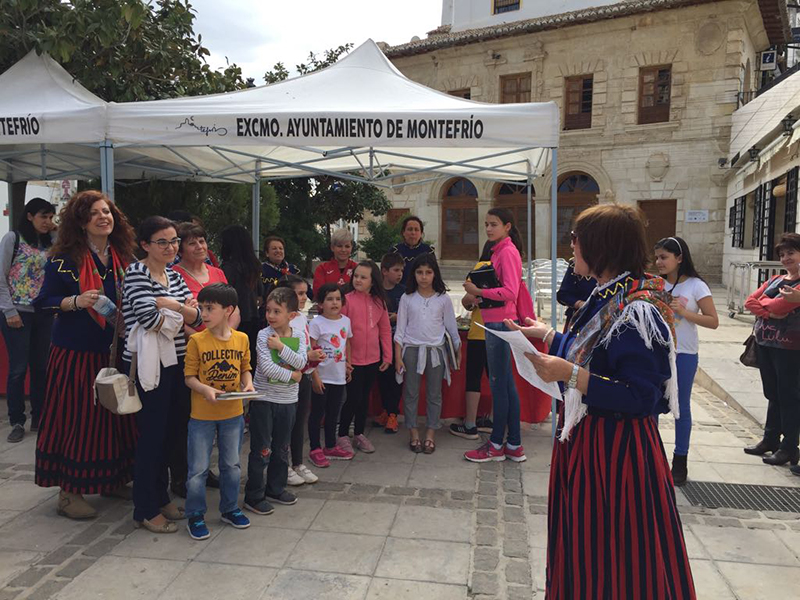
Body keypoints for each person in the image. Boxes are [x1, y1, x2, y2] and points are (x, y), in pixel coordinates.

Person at [510, 204, 695, 599]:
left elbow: (642, 397)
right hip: (589, 441)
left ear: (601, 247)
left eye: (577, 240)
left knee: (617, 559)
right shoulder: (607, 295)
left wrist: (569, 375)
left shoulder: (637, 309)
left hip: (616, 454)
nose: (572, 247)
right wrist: (546, 335)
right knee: (585, 549)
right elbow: (589, 353)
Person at [34, 190, 137, 520]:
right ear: (80, 221)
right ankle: (69, 491)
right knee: (78, 419)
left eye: (106, 211)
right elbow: (43, 303)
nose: (102, 217)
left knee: (115, 419)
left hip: (115, 352)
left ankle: (112, 479)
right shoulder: (63, 260)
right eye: (94, 213)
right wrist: (74, 302)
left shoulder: (123, 259)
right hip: (76, 354)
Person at [123, 216, 202, 533]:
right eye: (163, 242)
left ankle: (161, 496)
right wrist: (179, 310)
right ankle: (144, 507)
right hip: (148, 367)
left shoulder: (175, 275)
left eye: (174, 241)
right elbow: (147, 318)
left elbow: (196, 319)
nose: (171, 247)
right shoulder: (135, 272)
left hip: (178, 363)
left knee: (172, 435)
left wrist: (168, 305)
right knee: (151, 437)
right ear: (145, 245)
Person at [184, 283, 253, 540]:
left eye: (210, 308)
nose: (204, 313)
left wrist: (248, 383)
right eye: (201, 308)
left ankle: (229, 508)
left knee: (231, 465)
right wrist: (205, 390)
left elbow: (245, 368)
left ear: (228, 310)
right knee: (198, 469)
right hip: (201, 415)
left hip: (233, 414)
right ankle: (195, 514)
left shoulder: (242, 339)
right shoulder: (196, 340)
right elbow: (189, 377)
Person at [462, 208, 530, 463]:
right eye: (486, 224)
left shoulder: (508, 252)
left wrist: (478, 290)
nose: (488, 229)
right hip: (495, 322)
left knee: (500, 386)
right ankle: (512, 444)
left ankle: (496, 445)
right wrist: (480, 293)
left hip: (500, 324)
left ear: (507, 226)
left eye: (493, 224)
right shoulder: (499, 251)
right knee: (506, 385)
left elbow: (510, 292)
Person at [654, 236, 719, 485]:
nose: (659, 262)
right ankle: (653, 457)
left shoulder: (696, 286)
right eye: (657, 257)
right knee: (653, 405)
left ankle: (680, 461)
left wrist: (684, 313)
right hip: (658, 352)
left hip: (684, 354)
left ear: (679, 258)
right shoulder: (656, 284)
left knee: (681, 407)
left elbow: (713, 321)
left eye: (664, 257)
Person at [244, 287, 307, 515]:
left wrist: (281, 347)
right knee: (262, 449)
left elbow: (301, 362)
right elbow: (265, 366)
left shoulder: (299, 336)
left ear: (291, 315)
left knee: (282, 447)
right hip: (264, 399)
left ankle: (275, 488)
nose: (270, 315)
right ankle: (254, 495)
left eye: (276, 311)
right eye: (268, 310)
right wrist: (292, 376)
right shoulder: (263, 335)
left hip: (288, 401)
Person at [0, 198, 56, 442]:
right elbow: (0, 277)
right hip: (17, 313)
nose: (48, 222)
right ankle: (17, 420)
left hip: (44, 313)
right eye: (43, 216)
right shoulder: (13, 239)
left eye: (51, 217)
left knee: (41, 367)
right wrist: (9, 311)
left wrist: (57, 229)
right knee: (18, 369)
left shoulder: (51, 242)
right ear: (30, 216)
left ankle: (40, 417)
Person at [744, 232, 800, 467]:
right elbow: (749, 302)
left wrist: (766, 303)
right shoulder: (776, 280)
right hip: (766, 343)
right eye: (782, 254)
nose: (786, 258)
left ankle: (789, 447)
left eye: (791, 253)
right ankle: (770, 439)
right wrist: (769, 311)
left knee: (789, 396)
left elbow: (780, 303)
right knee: (773, 393)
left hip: (790, 347)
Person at [395, 254, 461, 454]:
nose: (423, 277)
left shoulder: (443, 299)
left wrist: (457, 353)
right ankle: (413, 432)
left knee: (434, 394)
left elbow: (451, 329)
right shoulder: (407, 298)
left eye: (428, 272)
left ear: (435, 274)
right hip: (412, 351)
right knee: (411, 393)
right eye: (419, 272)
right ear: (413, 274)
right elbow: (400, 330)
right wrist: (398, 356)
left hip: (436, 352)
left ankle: (431, 433)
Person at [274, 274, 326, 486]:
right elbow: (282, 355)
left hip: (303, 375)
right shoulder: (280, 321)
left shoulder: (301, 318)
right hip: (287, 378)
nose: (305, 297)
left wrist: (313, 367)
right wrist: (308, 358)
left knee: (299, 422)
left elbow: (305, 347)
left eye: (305, 293)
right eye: (300, 293)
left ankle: (297, 462)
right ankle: (282, 465)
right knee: (284, 424)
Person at [338, 260, 392, 454]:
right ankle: (343, 434)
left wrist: (388, 356)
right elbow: (341, 332)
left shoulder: (379, 302)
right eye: (356, 276)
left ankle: (359, 433)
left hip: (372, 359)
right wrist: (344, 359)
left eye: (363, 277)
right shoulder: (346, 300)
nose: (358, 280)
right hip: (353, 360)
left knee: (364, 399)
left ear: (373, 280)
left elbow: (385, 330)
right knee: (353, 397)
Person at [450, 240, 495, 440]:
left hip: (479, 331)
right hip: (502, 331)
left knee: (474, 378)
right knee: (498, 379)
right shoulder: (511, 267)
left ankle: (469, 425)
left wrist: (475, 299)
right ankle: (495, 421)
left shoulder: (480, 268)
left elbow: (467, 300)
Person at [308, 284, 353, 466]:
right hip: (322, 377)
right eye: (329, 299)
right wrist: (315, 376)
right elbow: (310, 349)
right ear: (321, 303)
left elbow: (347, 343)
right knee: (317, 413)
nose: (334, 303)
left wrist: (348, 364)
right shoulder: (316, 323)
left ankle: (331, 445)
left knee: (334, 413)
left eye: (337, 299)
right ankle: (315, 448)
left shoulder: (346, 321)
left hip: (338, 376)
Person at [219, 225, 264, 364]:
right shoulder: (254, 266)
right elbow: (260, 295)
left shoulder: (228, 269)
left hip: (233, 319)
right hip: (253, 318)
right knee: (248, 362)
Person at [375, 252, 406, 433]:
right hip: (378, 342)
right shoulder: (376, 291)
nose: (400, 273)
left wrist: (397, 317)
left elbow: (411, 314)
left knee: (396, 379)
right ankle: (386, 410)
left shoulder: (404, 291)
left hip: (398, 343)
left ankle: (394, 413)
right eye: (396, 270)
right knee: (383, 379)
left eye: (401, 270)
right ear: (384, 271)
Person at [389, 215, 435, 285]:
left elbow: (434, 275)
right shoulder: (395, 251)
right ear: (403, 232)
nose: (413, 233)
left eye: (416, 230)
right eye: (410, 229)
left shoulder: (428, 251)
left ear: (421, 233)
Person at [312, 228, 357, 294]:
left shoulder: (357, 268)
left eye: (347, 246)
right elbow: (318, 293)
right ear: (332, 247)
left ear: (351, 248)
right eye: (339, 246)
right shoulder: (322, 269)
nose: (343, 250)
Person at [556, 258, 596, 329]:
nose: (572, 246)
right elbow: (563, 294)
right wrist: (580, 304)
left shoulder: (615, 266)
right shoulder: (576, 263)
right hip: (578, 319)